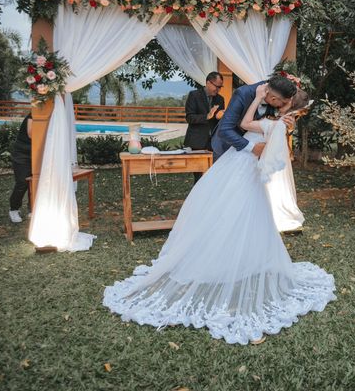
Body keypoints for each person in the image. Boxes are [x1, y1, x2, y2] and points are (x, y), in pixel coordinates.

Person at [103, 83, 336, 345]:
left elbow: (249, 124)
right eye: (278, 101)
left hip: (244, 166)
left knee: (236, 211)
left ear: (286, 103)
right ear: (274, 95)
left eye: (283, 104)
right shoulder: (254, 100)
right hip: (236, 156)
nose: (277, 105)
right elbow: (227, 130)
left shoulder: (278, 118)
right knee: (224, 208)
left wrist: (267, 125)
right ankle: (220, 255)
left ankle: (234, 258)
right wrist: (257, 137)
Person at [211, 73, 298, 161]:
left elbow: (271, 126)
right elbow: (225, 130)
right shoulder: (243, 94)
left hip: (255, 156)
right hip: (227, 146)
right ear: (273, 99)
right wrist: (253, 148)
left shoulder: (276, 91)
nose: (285, 106)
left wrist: (289, 127)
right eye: (283, 103)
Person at [183, 72, 225, 183]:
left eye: (220, 87)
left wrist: (220, 117)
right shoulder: (194, 95)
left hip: (214, 143)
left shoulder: (220, 99)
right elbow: (190, 118)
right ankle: (196, 199)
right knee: (199, 178)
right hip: (196, 143)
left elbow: (218, 122)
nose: (218, 89)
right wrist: (207, 116)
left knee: (213, 175)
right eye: (217, 86)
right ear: (208, 83)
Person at [9, 113, 32, 223]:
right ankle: (14, 209)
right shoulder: (33, 116)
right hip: (22, 154)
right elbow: (31, 134)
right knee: (22, 182)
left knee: (35, 183)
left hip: (37, 153)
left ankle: (32, 209)